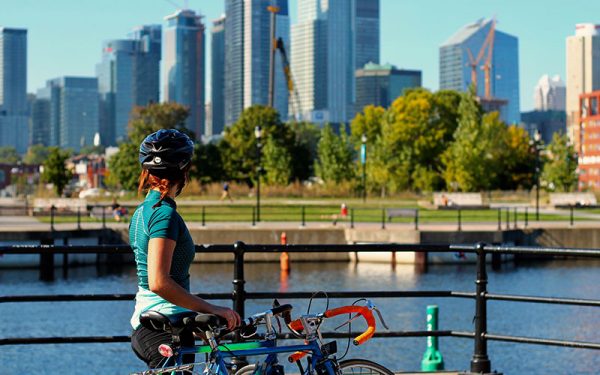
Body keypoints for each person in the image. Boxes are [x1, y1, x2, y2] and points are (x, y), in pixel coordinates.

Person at [129, 129, 240, 369]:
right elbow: (158, 282)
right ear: (183, 171)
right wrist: (213, 308)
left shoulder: (142, 212)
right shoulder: (163, 215)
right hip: (164, 328)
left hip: (163, 323)